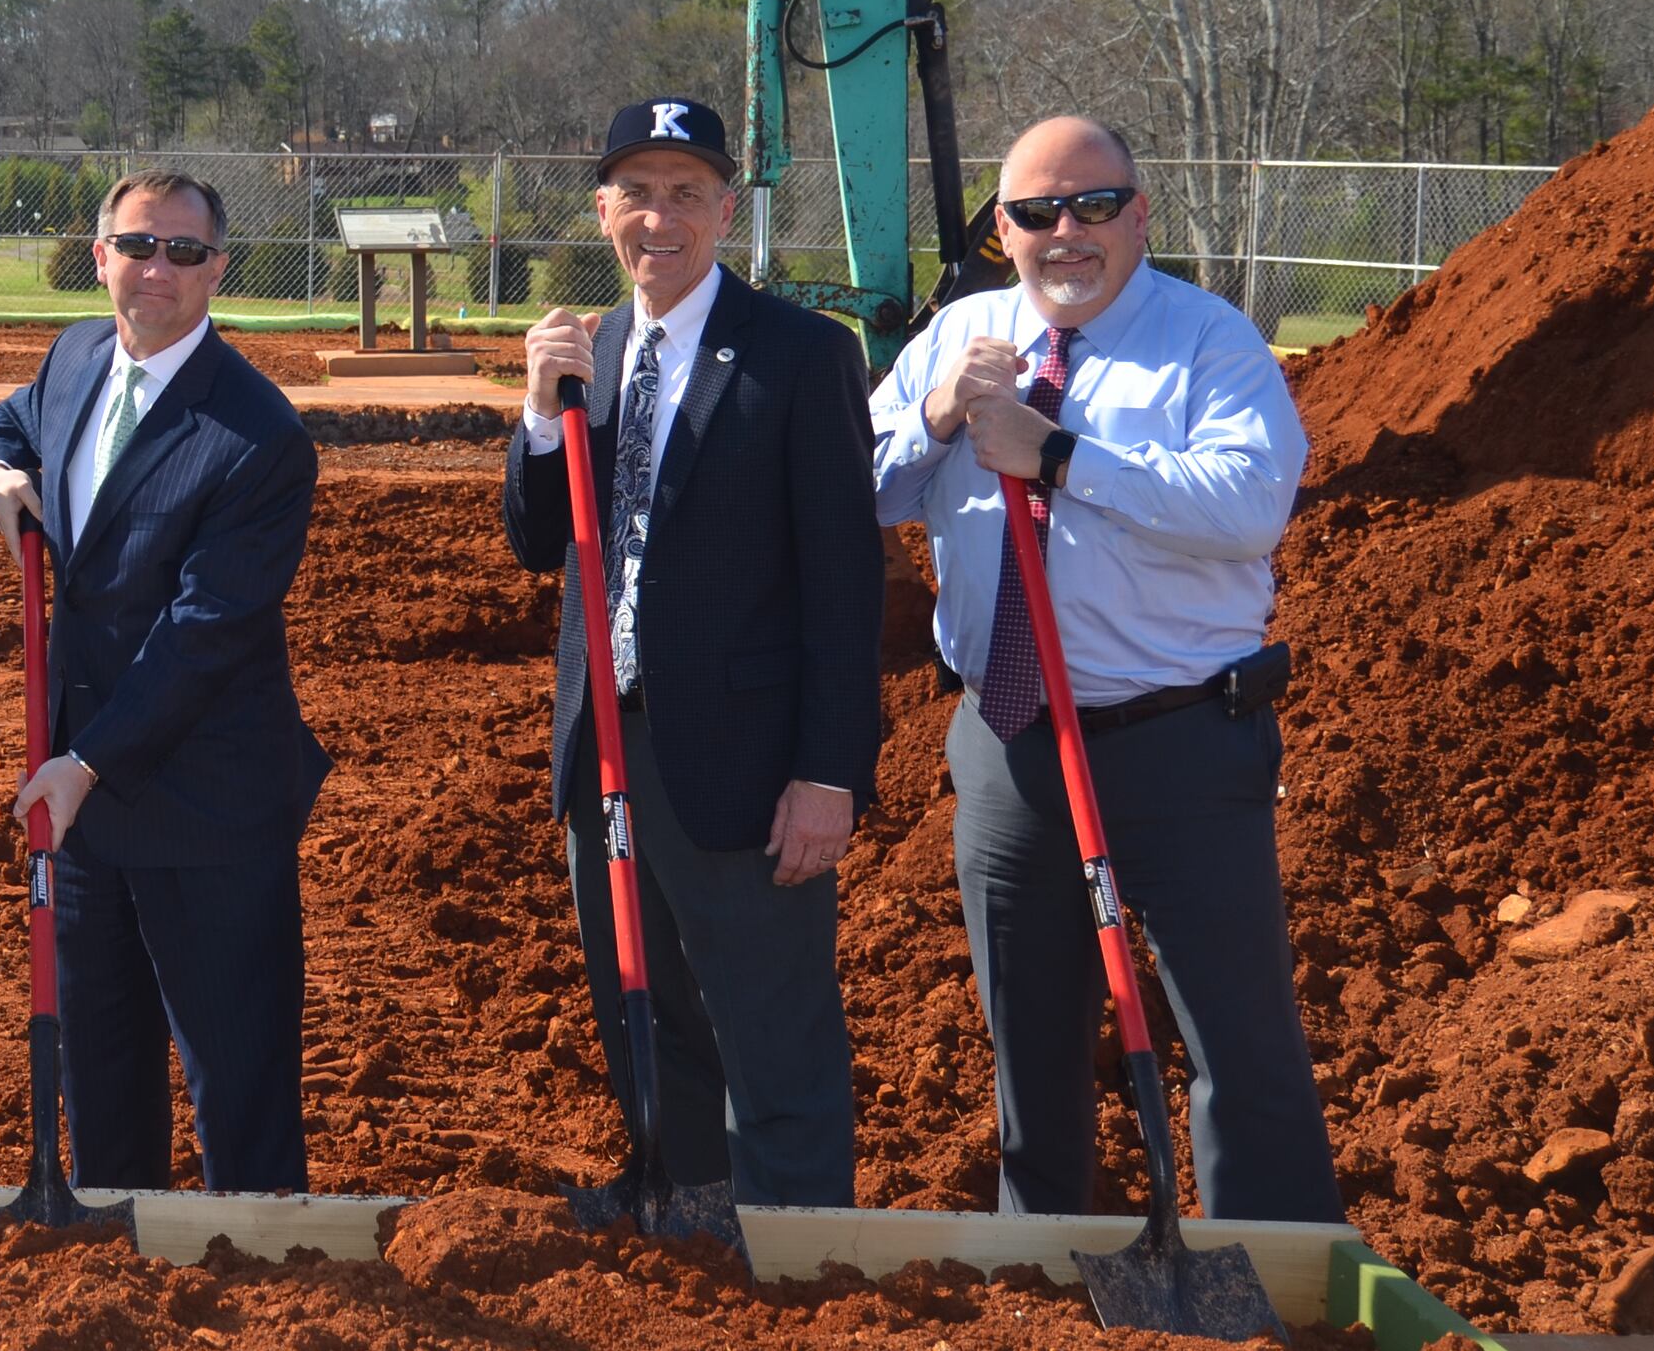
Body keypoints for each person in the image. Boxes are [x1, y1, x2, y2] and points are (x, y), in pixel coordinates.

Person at [869, 115, 1342, 1223]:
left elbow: (1245, 504)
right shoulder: (957, 338)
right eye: (1037, 211)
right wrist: (936, 421)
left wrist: (1064, 457)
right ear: (1003, 228)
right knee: (1028, 1037)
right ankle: (1044, 1267)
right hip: (1008, 741)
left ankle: (1267, 1269)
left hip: (1180, 742)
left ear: (1140, 214)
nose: (1066, 232)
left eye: (1092, 206)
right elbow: (853, 491)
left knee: (1235, 1032)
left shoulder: (1208, 341)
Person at [503, 97, 882, 1209]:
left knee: (771, 1020)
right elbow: (542, 543)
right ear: (603, 209)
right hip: (607, 737)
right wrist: (536, 411)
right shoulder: (595, 350)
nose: (659, 216)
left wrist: (828, 771)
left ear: (725, 208)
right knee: (644, 995)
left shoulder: (803, 356)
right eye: (637, 192)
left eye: (685, 192)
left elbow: (846, 585)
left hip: (746, 758)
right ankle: (686, 1194)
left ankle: (796, 1238)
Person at [0, 171, 327, 1193]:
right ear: (100, 257)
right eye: (136, 245)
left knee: (238, 1083)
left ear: (218, 267)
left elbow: (205, 632)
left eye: (182, 251)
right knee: (103, 1068)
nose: (156, 269)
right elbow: (12, 421)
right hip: (84, 800)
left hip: (207, 805)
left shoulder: (259, 437)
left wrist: (86, 761)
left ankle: (267, 1278)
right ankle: (113, 1262)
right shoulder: (79, 355)